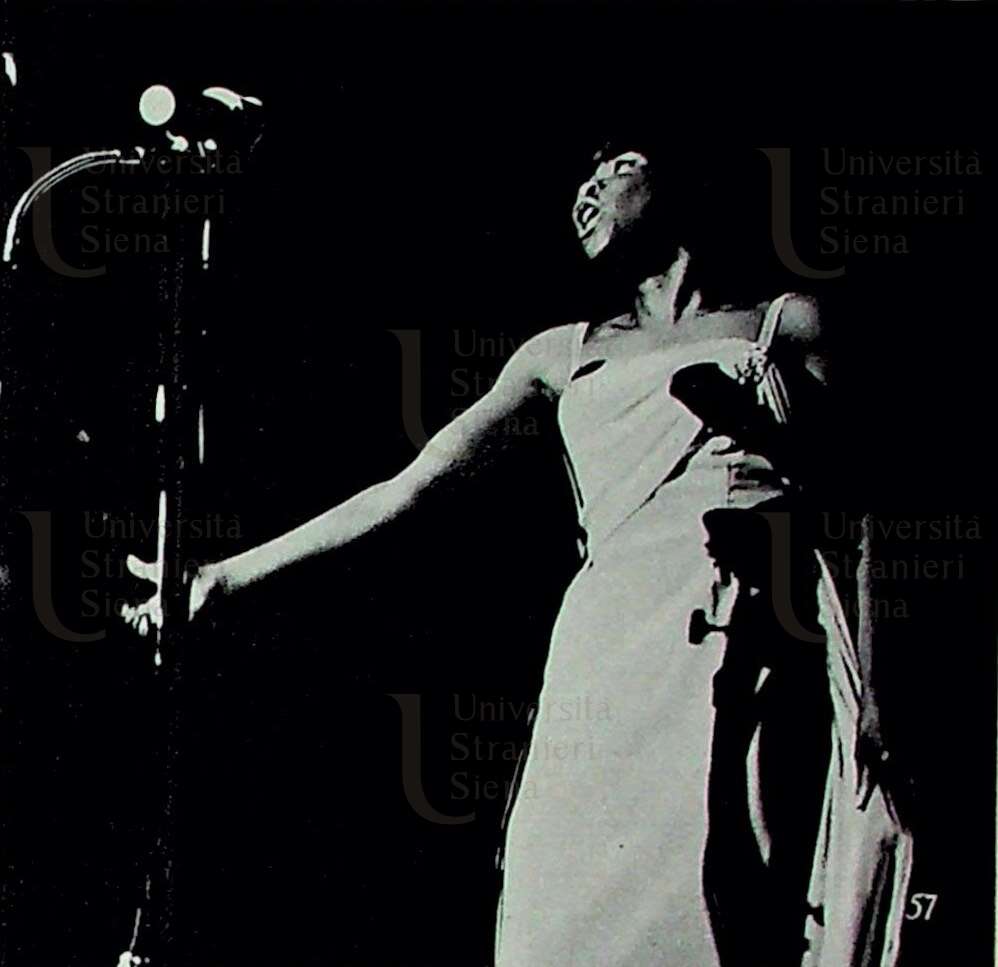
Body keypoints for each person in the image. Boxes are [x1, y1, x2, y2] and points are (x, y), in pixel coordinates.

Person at [121, 144, 913, 966]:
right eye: (580, 180)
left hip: (739, 637)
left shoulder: (787, 324)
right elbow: (408, 487)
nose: (586, 192)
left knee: (729, 892)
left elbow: (863, 513)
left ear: (677, 178)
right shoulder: (559, 354)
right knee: (572, 899)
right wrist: (224, 575)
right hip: (607, 651)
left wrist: (880, 693)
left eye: (615, 168)